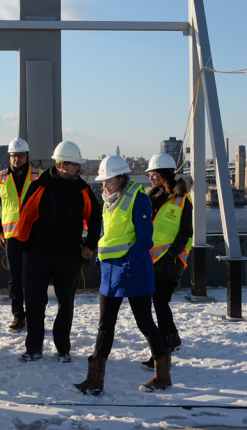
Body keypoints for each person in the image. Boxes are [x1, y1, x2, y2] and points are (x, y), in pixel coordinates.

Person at [75, 156, 170, 395]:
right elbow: (108, 235)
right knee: (105, 326)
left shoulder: (138, 200)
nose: (103, 186)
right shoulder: (109, 201)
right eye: (102, 181)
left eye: (108, 181)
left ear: (121, 178)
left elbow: (144, 240)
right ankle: (94, 380)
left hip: (134, 272)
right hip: (110, 273)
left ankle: (162, 376)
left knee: (145, 323)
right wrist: (100, 257)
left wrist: (127, 265)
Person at [14, 140, 101, 363]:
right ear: (62, 165)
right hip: (38, 256)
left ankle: (63, 348)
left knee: (66, 304)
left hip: (69, 256)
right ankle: (33, 348)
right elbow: (25, 217)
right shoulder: (39, 186)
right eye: (75, 165)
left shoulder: (82, 189)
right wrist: (28, 248)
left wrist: (90, 245)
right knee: (34, 303)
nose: (79, 168)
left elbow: (94, 218)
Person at [143, 152, 193, 368]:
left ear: (164, 174)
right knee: (158, 302)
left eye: (153, 173)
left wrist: (172, 254)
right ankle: (172, 337)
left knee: (160, 303)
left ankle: (162, 348)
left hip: (170, 262)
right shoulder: (153, 197)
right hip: (151, 260)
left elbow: (186, 232)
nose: (150, 178)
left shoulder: (183, 200)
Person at [0, 137, 41, 331]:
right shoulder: (1, 177)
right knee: (14, 279)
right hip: (11, 237)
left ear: (27, 156)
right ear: (9, 157)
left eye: (20, 155)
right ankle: (19, 316)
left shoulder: (39, 176)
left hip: (34, 236)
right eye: (13, 156)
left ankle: (35, 315)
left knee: (34, 277)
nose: (16, 159)